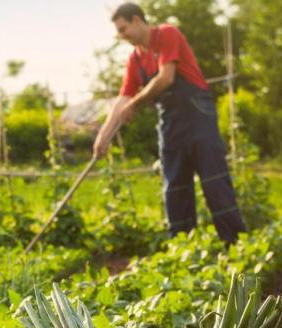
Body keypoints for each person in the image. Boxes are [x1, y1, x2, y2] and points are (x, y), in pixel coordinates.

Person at [93, 2, 246, 244]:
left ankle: (237, 246)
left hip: (197, 116)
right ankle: (184, 251)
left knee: (213, 181)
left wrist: (136, 104)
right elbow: (122, 99)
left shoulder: (166, 34)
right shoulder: (135, 60)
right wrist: (103, 136)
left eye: (123, 29)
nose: (122, 36)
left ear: (136, 20)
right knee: (175, 188)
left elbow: (166, 78)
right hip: (170, 124)